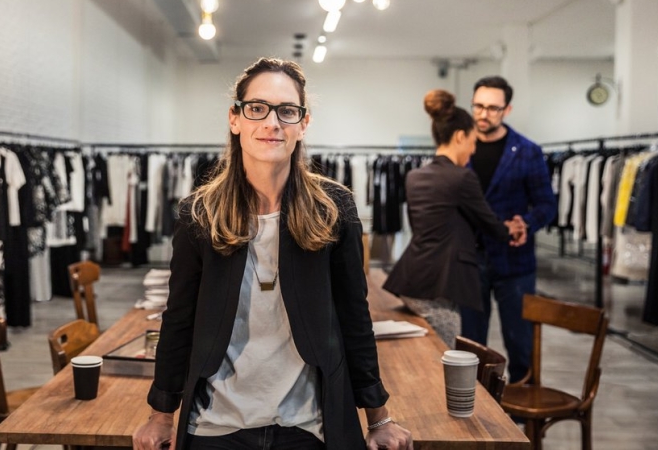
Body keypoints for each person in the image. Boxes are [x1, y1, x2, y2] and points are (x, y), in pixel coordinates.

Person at [133, 58, 413, 450]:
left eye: (287, 110)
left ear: (303, 123)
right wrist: (161, 413)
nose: (272, 122)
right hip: (216, 424)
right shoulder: (200, 213)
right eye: (257, 108)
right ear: (235, 119)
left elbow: (354, 316)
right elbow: (179, 317)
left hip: (309, 424)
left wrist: (379, 417)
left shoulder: (333, 208)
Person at [383, 90, 526, 349]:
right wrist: (512, 230)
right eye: (472, 141)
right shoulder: (461, 178)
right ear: (460, 136)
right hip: (440, 284)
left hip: (413, 277)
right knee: (446, 355)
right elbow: (487, 222)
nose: (472, 150)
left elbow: (440, 223)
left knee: (434, 353)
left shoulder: (415, 176)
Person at [460, 76, 557, 383]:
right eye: (478, 106)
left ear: (507, 109)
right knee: (470, 344)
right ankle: (471, 410)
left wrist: (526, 222)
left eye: (492, 107)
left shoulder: (527, 151)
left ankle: (521, 417)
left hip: (514, 262)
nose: (483, 114)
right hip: (470, 258)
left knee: (520, 341)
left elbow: (546, 204)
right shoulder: (460, 147)